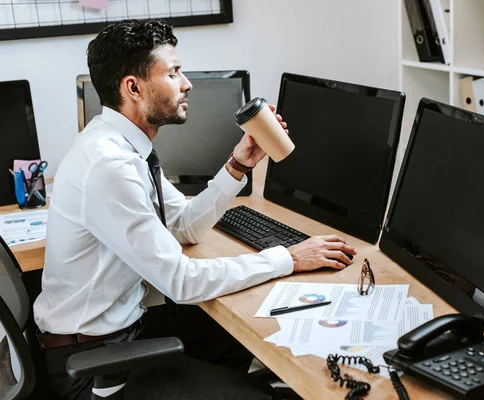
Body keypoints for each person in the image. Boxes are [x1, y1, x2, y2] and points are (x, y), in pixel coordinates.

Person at [33, 19, 356, 400]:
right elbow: (182, 282)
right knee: (258, 394)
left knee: (248, 330)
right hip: (94, 364)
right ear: (133, 87)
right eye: (172, 73)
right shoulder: (109, 166)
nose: (186, 83)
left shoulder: (122, 147)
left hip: (124, 332)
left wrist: (238, 166)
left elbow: (183, 226)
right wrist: (289, 257)